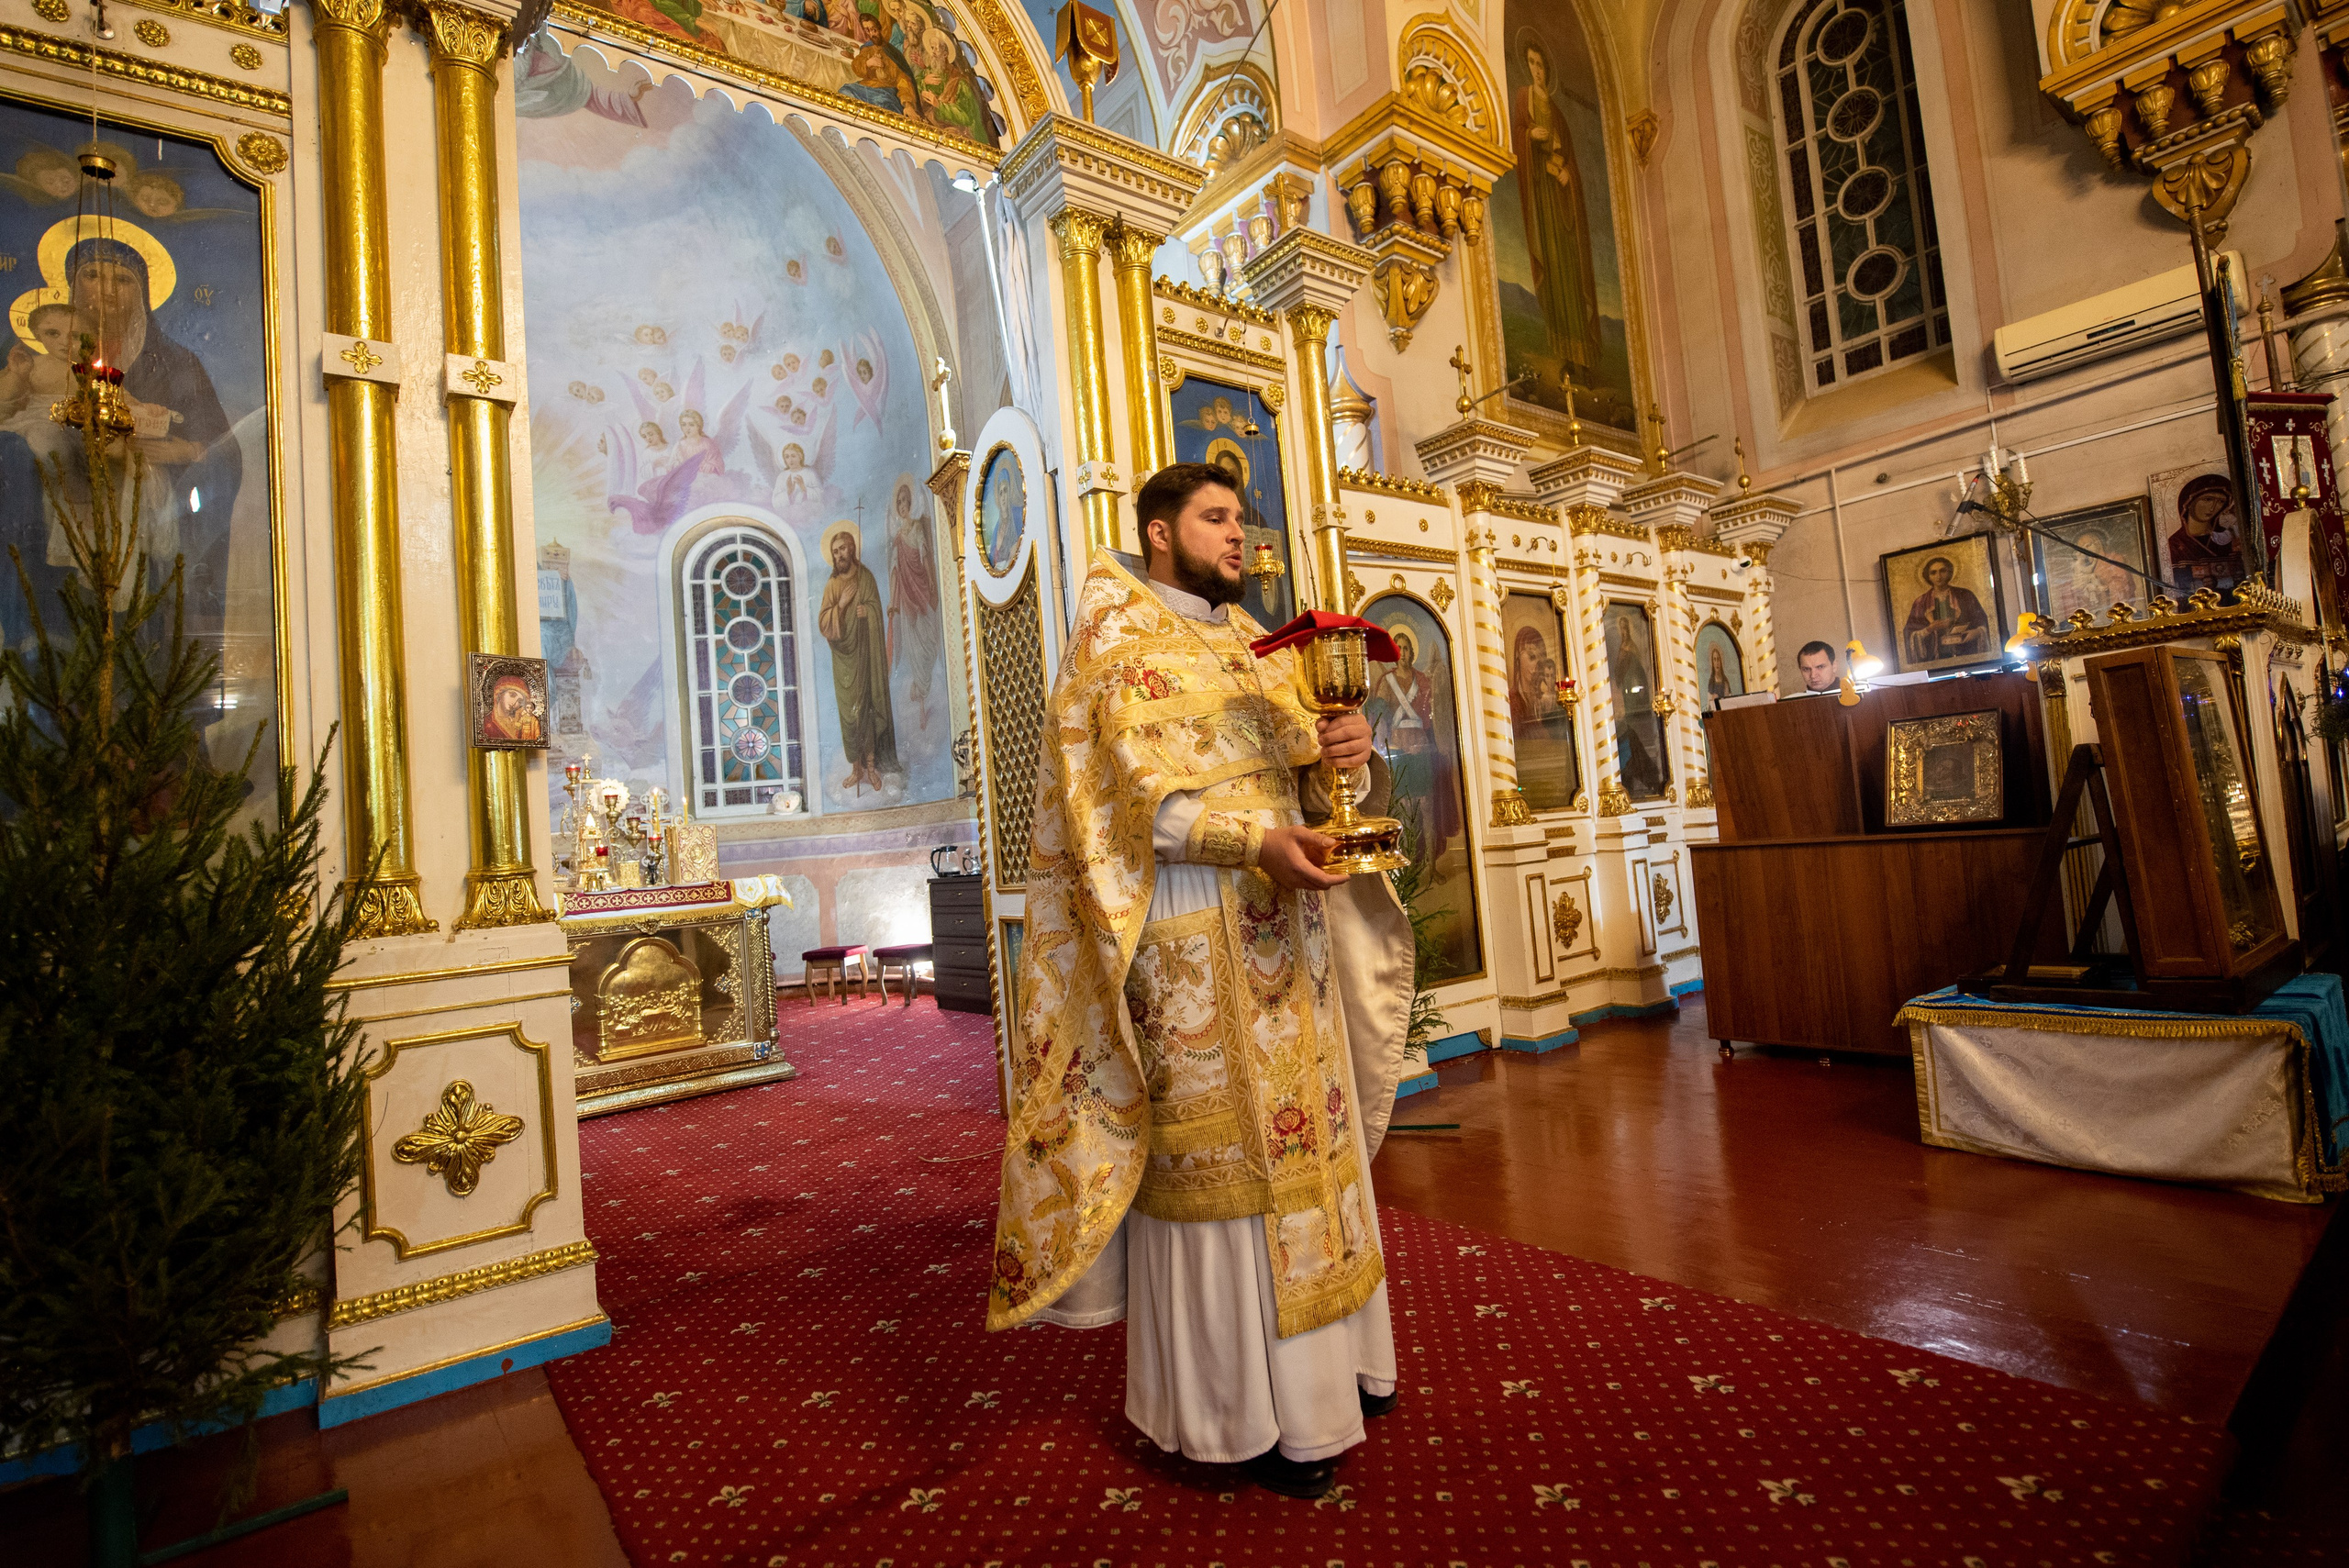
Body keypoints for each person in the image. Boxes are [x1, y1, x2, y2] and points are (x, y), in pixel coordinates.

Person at [986, 462, 1415, 1502]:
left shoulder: (1255, 645)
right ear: (1158, 531)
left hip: (1289, 935)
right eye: (1215, 518)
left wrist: (1351, 755)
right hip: (1186, 941)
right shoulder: (1112, 635)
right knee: (1224, 1176)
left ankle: (1340, 1379)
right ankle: (1238, 1419)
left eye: (1241, 520)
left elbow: (1311, 781)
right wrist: (1250, 841)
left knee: (1314, 1151)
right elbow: (1116, 808)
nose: (1238, 537)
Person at [1510, 39, 1602, 378]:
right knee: (1552, 273)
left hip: (1563, 205)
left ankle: (1583, 356)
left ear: (1547, 69)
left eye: (1540, 64)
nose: (1536, 69)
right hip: (1542, 202)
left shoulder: (1559, 114)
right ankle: (1564, 353)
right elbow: (1516, 135)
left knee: (1570, 273)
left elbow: (1572, 161)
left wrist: (1569, 175)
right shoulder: (1523, 98)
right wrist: (1528, 136)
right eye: (1531, 63)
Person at [817, 523, 899, 795]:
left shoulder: (866, 578)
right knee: (850, 716)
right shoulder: (832, 585)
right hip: (844, 661)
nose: (839, 555)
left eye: (843, 549)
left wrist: (869, 613)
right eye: (835, 551)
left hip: (866, 656)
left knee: (868, 711)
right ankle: (856, 769)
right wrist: (841, 606)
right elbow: (824, 623)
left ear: (852, 549)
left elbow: (877, 610)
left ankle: (871, 767)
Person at [1899, 555, 1992, 666]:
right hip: (1934, 659)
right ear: (1928, 576)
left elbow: (1984, 622)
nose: (1938, 576)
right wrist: (1930, 628)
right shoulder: (1921, 602)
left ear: (1950, 573)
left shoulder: (1965, 595)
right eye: (1933, 573)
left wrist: (1977, 632)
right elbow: (1908, 634)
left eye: (1943, 571)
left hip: (1965, 653)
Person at [2166, 475, 2243, 602]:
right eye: (2207, 499)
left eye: (2220, 501)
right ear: (2189, 503)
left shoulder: (2228, 538)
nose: (2213, 507)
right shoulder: (2175, 544)